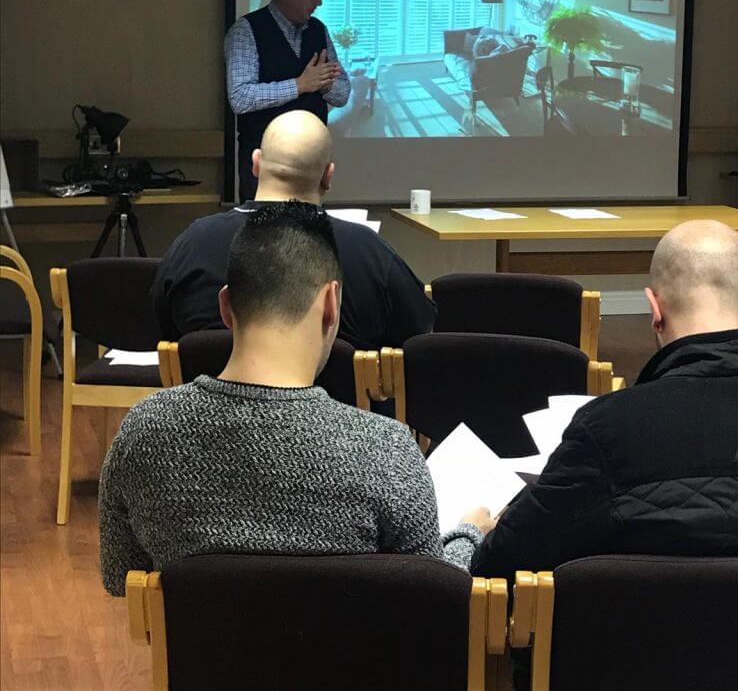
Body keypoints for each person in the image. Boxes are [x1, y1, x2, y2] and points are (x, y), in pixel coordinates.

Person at [100, 202, 490, 596]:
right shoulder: (386, 450)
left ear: (225, 306)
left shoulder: (143, 433)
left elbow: (122, 578)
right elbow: (433, 599)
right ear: (330, 303)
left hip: (203, 657)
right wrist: (468, 535)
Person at [471, 219, 738, 583]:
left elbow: (501, 564)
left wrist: (475, 530)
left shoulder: (607, 428)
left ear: (654, 312)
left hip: (645, 639)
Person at [151, 110, 436, 350]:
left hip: (204, 417)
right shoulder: (368, 250)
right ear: (328, 176)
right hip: (340, 417)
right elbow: (419, 334)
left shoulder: (194, 242)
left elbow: (162, 328)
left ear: (256, 163)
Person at [225, 0, 350, 201]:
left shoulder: (319, 30)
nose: (320, 2)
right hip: (263, 167)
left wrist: (323, 86)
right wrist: (300, 85)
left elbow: (343, 93)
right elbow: (239, 97)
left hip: (313, 165)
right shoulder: (246, 31)